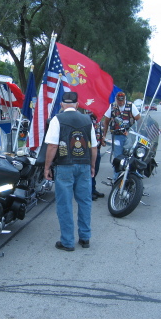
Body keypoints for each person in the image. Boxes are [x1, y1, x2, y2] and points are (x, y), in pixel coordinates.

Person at [44, 91, 97, 251]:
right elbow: (93, 147)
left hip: (64, 165)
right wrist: (92, 166)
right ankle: (85, 238)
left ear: (61, 105)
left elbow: (52, 146)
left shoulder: (57, 119)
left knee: (64, 204)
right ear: (77, 104)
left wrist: (47, 167)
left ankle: (67, 242)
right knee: (85, 201)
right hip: (84, 165)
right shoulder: (87, 120)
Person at [102, 91, 140, 178]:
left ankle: (132, 176)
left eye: (122, 101)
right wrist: (104, 135)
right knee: (118, 157)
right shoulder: (111, 107)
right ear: (116, 100)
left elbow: (139, 120)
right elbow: (106, 121)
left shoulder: (131, 106)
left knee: (131, 155)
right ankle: (116, 178)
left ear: (125, 99)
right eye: (119, 101)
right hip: (117, 136)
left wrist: (136, 132)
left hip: (130, 136)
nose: (121, 103)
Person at [87, 111, 105, 200]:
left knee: (95, 170)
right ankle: (88, 192)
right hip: (89, 148)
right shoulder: (88, 118)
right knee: (90, 170)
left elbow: (99, 131)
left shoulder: (99, 118)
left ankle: (93, 189)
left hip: (97, 147)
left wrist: (102, 140)